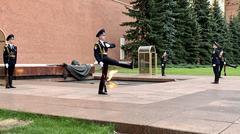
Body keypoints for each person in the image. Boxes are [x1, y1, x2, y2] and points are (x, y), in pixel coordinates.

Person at [94, 29, 133, 95]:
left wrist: (109, 45)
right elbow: (96, 54)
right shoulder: (97, 44)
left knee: (104, 75)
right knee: (115, 62)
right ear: (100, 36)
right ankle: (129, 66)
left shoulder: (105, 43)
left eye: (105, 35)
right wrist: (99, 61)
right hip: (103, 59)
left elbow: (113, 45)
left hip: (105, 58)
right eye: (103, 35)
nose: (104, 36)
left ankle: (100, 90)